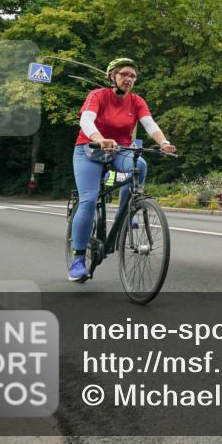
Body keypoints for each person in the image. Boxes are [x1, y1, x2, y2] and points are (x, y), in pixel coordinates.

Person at [67, 58, 176, 282]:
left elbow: (150, 124)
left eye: (133, 76)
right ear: (112, 76)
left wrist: (164, 142)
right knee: (88, 200)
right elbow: (86, 121)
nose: (129, 79)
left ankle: (126, 211)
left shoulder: (137, 102)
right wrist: (99, 138)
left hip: (119, 150)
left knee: (140, 164)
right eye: (124, 74)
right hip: (89, 149)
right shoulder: (97, 95)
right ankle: (78, 258)